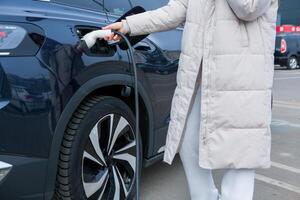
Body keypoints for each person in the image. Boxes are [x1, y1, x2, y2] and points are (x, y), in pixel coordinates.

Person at [103, 0, 279, 199]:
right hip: (202, 75)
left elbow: (249, 8)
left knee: (241, 152)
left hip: (242, 77)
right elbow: (174, 10)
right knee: (188, 142)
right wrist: (129, 25)